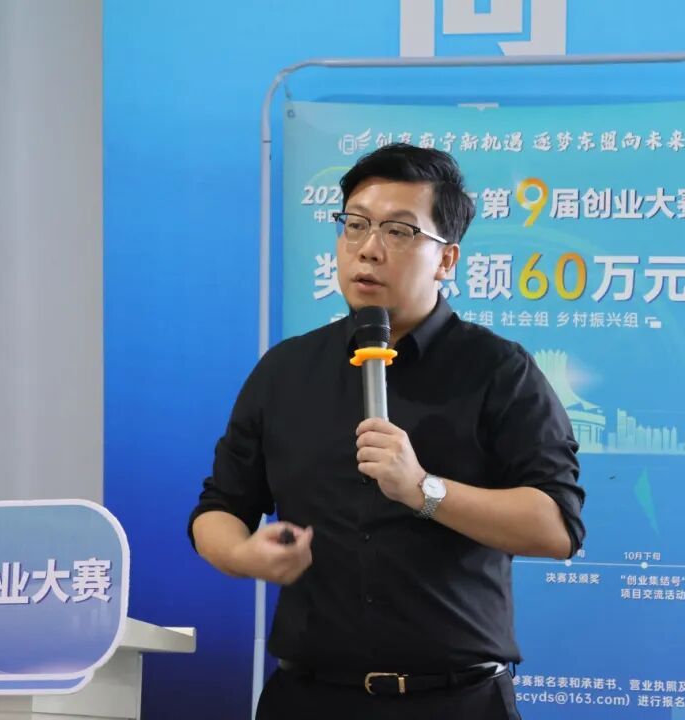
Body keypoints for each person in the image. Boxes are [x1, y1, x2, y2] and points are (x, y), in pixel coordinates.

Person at [188, 143, 586, 719]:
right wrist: (243, 555)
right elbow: (218, 508)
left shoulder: (499, 371)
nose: (368, 249)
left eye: (399, 231)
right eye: (355, 225)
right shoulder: (285, 371)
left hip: (456, 701)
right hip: (308, 698)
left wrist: (424, 490)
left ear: (446, 259)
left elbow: (557, 527)